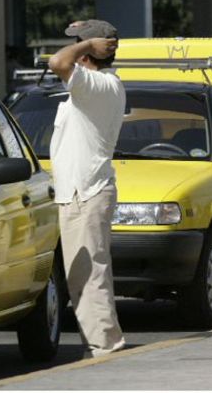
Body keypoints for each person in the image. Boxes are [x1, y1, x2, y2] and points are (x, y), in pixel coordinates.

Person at [47, 19, 126, 359]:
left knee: (89, 273)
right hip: (79, 191)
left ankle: (107, 346)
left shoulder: (99, 85)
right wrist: (87, 43)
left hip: (88, 191)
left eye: (79, 44)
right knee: (83, 274)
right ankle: (103, 343)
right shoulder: (96, 85)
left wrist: (87, 45)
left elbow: (57, 62)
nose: (74, 49)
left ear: (90, 52)